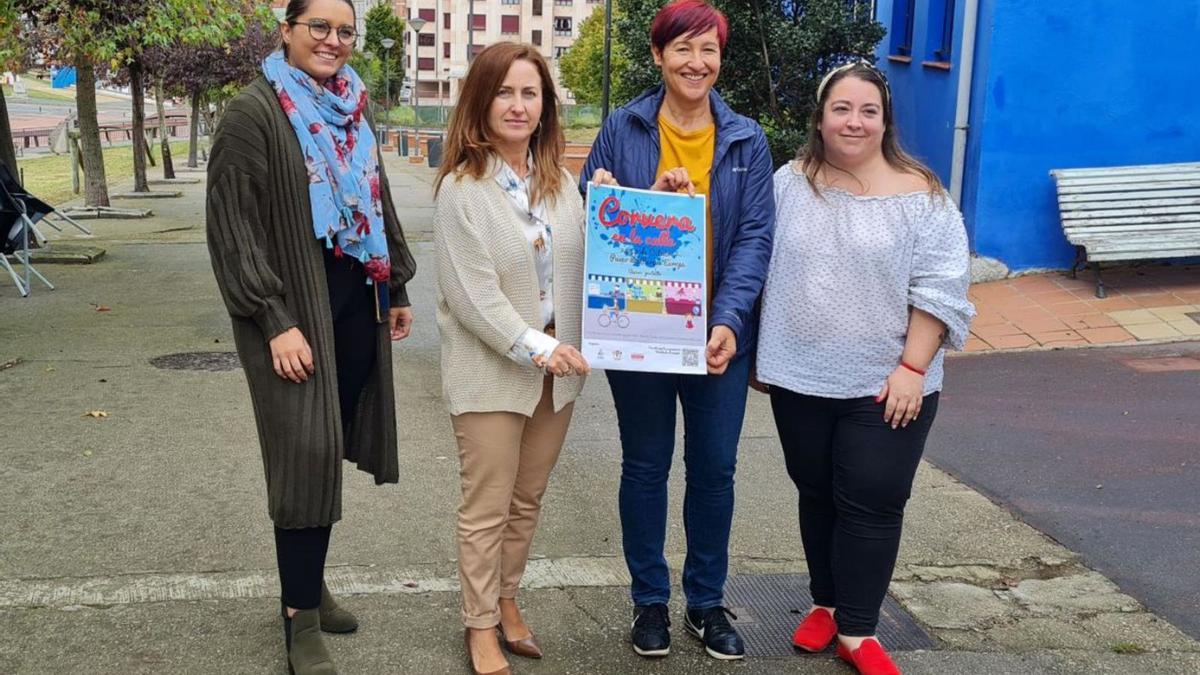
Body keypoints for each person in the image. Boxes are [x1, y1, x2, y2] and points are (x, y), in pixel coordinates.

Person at [205, 0, 416, 672]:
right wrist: (272, 320)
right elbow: (232, 229)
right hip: (291, 320)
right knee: (304, 451)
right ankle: (299, 619)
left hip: (353, 307)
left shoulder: (352, 105)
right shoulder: (253, 113)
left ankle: (307, 583)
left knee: (322, 455)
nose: (333, 40)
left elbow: (374, 199)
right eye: (318, 27)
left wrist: (397, 286)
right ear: (288, 31)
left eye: (344, 30)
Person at [754, 61, 975, 675]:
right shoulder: (788, 183)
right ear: (820, 118)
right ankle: (825, 602)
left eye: (868, 111)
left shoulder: (923, 196)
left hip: (890, 379)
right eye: (841, 109)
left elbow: (942, 288)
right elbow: (752, 257)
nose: (854, 121)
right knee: (817, 489)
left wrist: (912, 365)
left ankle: (858, 629)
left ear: (885, 121)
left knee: (873, 498)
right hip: (798, 373)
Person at [580, 0, 774, 661]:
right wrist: (602, 193)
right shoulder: (623, 125)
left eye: (709, 49)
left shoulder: (747, 139)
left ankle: (706, 601)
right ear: (659, 55)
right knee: (644, 467)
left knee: (715, 470)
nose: (698, 62)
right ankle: (649, 602)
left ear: (721, 58)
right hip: (642, 331)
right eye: (684, 48)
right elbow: (598, 204)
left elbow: (753, 238)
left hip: (719, 337)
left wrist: (728, 320)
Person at [433, 42, 590, 675]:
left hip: (558, 378)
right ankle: (478, 626)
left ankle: (507, 600)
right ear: (480, 101)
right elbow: (474, 298)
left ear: (546, 106)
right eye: (505, 92)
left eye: (531, 93)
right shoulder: (460, 191)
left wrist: (634, 205)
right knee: (487, 506)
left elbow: (592, 259)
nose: (519, 105)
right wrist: (544, 348)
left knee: (527, 501)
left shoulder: (562, 184)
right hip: (493, 373)